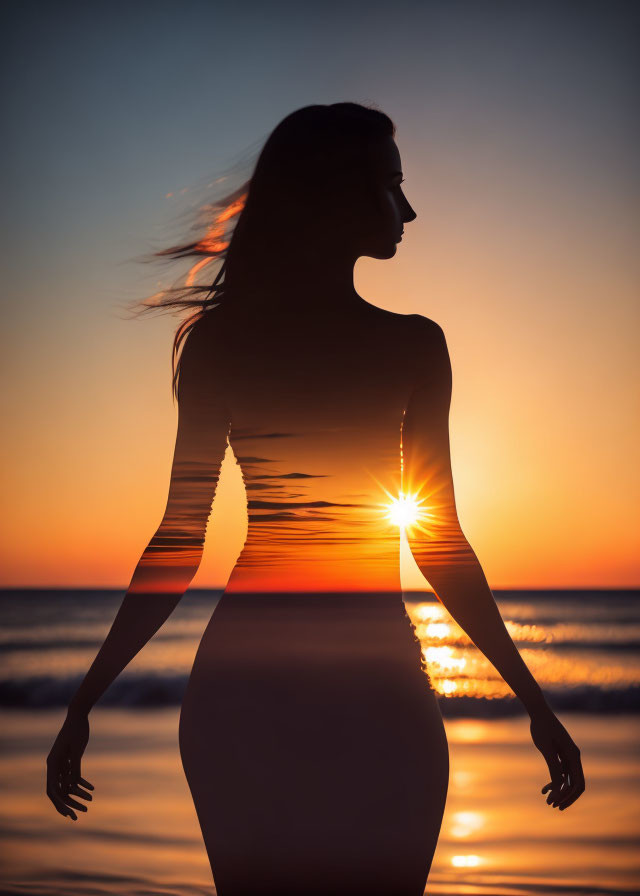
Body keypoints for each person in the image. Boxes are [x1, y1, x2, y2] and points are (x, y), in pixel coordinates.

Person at [46, 103, 585, 896]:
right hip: (372, 687)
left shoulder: (225, 342)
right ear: (337, 193)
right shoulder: (411, 344)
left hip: (245, 684)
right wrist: (537, 705)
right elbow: (438, 542)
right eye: (389, 186)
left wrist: (82, 702)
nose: (407, 209)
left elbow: (177, 540)